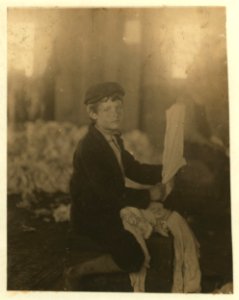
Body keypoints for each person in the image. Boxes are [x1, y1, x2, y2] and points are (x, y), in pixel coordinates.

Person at [67, 82, 165, 290]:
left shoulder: (112, 140)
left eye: (119, 107)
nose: (115, 114)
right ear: (93, 114)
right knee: (133, 256)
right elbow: (109, 194)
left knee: (152, 228)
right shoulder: (90, 147)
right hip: (92, 215)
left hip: (109, 207)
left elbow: (134, 169)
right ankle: (78, 272)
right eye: (107, 109)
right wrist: (149, 195)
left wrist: (166, 171)